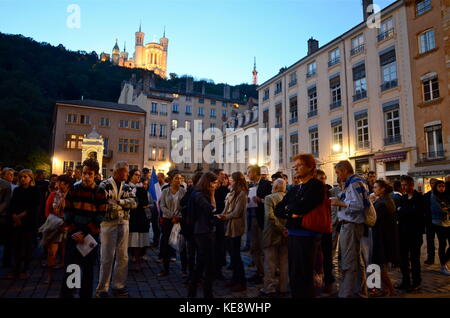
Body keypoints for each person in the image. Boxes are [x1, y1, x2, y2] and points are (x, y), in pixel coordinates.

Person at [275, 154, 326, 298]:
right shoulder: (295, 189)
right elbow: (278, 209)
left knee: (304, 275)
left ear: (310, 167)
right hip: (293, 234)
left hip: (307, 236)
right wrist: (291, 213)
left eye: (299, 165)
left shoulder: (316, 185)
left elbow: (303, 206)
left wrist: (291, 209)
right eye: (294, 165)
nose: (295, 168)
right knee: (294, 274)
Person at [60, 159, 107, 298]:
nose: (86, 176)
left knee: (87, 271)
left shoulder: (100, 192)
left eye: (90, 174)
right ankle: (68, 296)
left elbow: (100, 215)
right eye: (84, 173)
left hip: (90, 236)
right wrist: (74, 232)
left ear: (96, 175)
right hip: (74, 235)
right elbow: (67, 211)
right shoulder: (74, 189)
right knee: (71, 268)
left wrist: (85, 233)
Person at [96, 161, 137, 298]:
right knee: (107, 256)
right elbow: (103, 204)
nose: (128, 174)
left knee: (123, 256)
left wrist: (119, 202)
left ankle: (118, 285)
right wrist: (124, 204)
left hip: (124, 222)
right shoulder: (104, 185)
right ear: (118, 171)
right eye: (126, 171)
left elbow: (134, 203)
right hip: (108, 224)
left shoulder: (127, 186)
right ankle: (103, 288)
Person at [330, 160, 369, 298]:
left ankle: (346, 293)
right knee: (356, 260)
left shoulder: (353, 182)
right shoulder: (357, 181)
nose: (338, 176)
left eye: (338, 172)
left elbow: (358, 205)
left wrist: (338, 202)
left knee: (348, 261)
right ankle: (361, 290)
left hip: (351, 224)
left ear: (345, 170)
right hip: (352, 224)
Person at [187, 172, 218, 298]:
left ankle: (195, 292)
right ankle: (206, 294)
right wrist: (212, 195)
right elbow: (210, 210)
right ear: (209, 183)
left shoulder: (198, 194)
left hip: (202, 231)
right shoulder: (200, 195)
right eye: (214, 183)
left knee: (201, 264)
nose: (216, 185)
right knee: (206, 265)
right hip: (203, 232)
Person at [6, 169, 40, 280]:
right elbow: (12, 204)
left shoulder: (34, 190)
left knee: (27, 246)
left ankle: (25, 269)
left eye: (25, 176)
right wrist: (15, 216)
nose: (23, 179)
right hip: (16, 222)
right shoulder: (17, 190)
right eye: (21, 177)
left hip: (28, 222)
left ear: (30, 178)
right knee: (16, 246)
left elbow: (34, 206)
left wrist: (21, 216)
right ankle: (15, 269)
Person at [218, 171, 248, 292]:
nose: (230, 181)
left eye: (232, 179)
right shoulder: (232, 192)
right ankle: (235, 279)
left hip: (236, 227)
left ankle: (241, 281)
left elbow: (237, 212)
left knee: (236, 255)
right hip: (228, 226)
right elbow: (227, 208)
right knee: (232, 254)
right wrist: (221, 214)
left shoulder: (242, 194)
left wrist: (226, 216)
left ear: (237, 181)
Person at [369, 180, 400, 297]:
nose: (373, 189)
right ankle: (384, 290)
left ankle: (390, 290)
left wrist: (370, 204)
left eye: (376, 187)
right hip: (385, 237)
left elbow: (373, 219)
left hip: (381, 237)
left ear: (383, 189)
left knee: (379, 266)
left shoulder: (383, 202)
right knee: (381, 265)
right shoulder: (386, 200)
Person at [396, 175, 425, 291]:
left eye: (405, 185)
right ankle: (405, 281)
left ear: (411, 185)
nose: (403, 187)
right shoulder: (402, 198)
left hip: (415, 234)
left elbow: (418, 215)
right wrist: (404, 212)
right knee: (403, 260)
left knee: (415, 259)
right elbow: (399, 214)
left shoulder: (419, 198)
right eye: (402, 185)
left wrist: (404, 211)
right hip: (402, 234)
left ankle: (416, 282)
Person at [260, 178, 287, 296]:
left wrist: (280, 228)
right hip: (286, 234)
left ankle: (269, 288)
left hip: (271, 234)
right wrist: (285, 229)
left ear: (275, 187)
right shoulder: (287, 197)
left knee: (270, 263)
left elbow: (269, 216)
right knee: (284, 262)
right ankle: (283, 287)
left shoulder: (269, 198)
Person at [44, 174, 72, 283]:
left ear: (67, 184)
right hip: (54, 224)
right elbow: (47, 211)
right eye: (58, 182)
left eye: (61, 182)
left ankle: (67, 275)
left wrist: (67, 224)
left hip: (67, 226)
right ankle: (50, 275)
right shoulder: (53, 195)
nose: (58, 184)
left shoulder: (72, 195)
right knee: (51, 251)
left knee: (66, 251)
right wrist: (54, 222)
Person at [247, 165, 272, 284]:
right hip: (252, 218)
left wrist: (260, 200)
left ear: (256, 173)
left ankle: (266, 274)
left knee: (263, 247)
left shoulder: (266, 184)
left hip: (262, 219)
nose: (247, 174)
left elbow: (270, 200)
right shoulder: (250, 185)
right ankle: (259, 271)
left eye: (249, 172)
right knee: (253, 247)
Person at [158, 170, 186, 277]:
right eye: (176, 178)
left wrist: (179, 217)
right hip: (168, 221)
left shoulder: (183, 191)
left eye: (180, 178)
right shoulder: (165, 191)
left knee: (182, 244)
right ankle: (166, 268)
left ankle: (184, 270)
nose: (179, 180)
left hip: (180, 220)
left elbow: (185, 205)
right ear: (171, 180)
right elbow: (162, 205)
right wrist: (171, 216)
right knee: (166, 244)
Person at [180, 172, 203, 285]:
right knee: (196, 252)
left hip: (190, 225)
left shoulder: (191, 190)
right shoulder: (198, 192)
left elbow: (182, 202)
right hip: (194, 226)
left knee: (192, 252)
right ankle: (195, 276)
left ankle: (193, 275)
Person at [315, 169, 335, 294]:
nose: (322, 180)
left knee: (327, 257)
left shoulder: (328, 190)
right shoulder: (311, 192)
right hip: (315, 228)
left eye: (324, 178)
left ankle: (328, 281)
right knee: (315, 256)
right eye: (320, 178)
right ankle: (317, 279)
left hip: (326, 227)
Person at [129, 174, 152, 272]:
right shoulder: (126, 186)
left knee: (137, 241)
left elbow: (145, 202)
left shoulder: (141, 189)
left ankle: (137, 262)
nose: (138, 176)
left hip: (138, 217)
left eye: (139, 175)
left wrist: (134, 202)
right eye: (136, 175)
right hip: (128, 217)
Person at [430, 180, 450, 275]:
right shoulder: (433, 197)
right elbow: (439, 210)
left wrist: (446, 209)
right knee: (442, 244)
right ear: (436, 187)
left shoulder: (446, 196)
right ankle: (443, 265)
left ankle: (445, 260)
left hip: (448, 222)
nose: (442, 188)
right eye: (440, 186)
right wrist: (446, 209)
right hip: (439, 223)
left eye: (443, 186)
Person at [213, 168, 229, 279]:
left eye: (224, 174)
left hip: (221, 219)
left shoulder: (224, 189)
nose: (224, 176)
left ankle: (218, 269)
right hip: (212, 218)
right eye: (222, 174)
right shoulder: (211, 188)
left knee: (221, 245)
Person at [423, 178, 438, 265]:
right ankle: (430, 258)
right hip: (429, 222)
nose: (433, 185)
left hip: (440, 222)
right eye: (431, 183)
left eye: (435, 183)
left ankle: (443, 259)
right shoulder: (426, 195)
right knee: (430, 241)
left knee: (442, 242)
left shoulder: (443, 195)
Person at [0, 172, 12, 268]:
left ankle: (6, 261)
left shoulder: (5, 184)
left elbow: (6, 201)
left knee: (6, 240)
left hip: (3, 216)